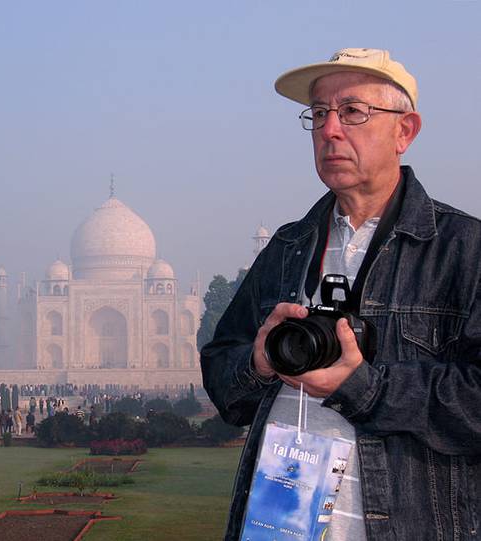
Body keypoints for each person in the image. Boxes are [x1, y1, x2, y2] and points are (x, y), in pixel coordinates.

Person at [201, 48, 481, 541]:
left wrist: (364, 387)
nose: (330, 129)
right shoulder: (287, 248)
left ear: (404, 131)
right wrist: (260, 362)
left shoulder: (465, 251)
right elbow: (224, 379)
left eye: (353, 112)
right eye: (319, 113)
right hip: (279, 527)